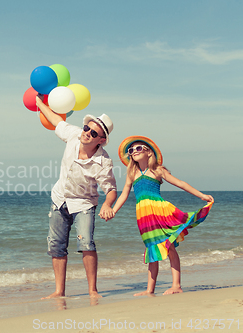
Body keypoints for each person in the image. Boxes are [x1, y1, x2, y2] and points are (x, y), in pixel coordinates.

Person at [35, 96, 117, 299]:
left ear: (102, 140)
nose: (87, 133)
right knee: (56, 245)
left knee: (86, 244)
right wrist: (39, 104)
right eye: (86, 128)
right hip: (59, 198)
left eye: (94, 132)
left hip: (84, 204)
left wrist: (108, 204)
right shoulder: (74, 135)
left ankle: (92, 290)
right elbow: (56, 120)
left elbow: (111, 189)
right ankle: (59, 291)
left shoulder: (103, 161)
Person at [111, 136, 214, 296]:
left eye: (138, 148)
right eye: (131, 151)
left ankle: (176, 285)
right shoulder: (132, 173)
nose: (134, 152)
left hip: (161, 212)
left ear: (148, 152)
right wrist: (113, 210)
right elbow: (124, 195)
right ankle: (149, 289)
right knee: (151, 248)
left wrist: (201, 195)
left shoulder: (158, 170)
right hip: (144, 217)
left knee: (169, 246)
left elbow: (181, 183)